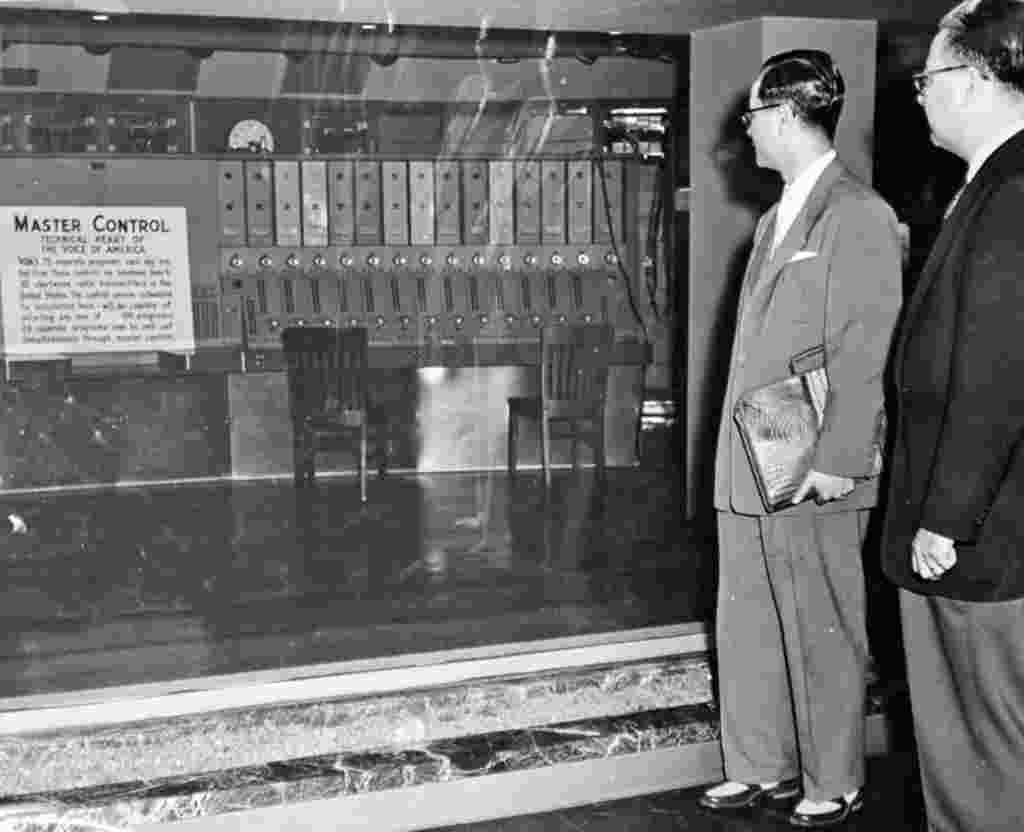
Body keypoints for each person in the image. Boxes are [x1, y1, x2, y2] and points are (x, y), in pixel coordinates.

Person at [701, 50, 903, 828]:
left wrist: (837, 461)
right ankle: (758, 764)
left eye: (751, 116)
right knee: (746, 614)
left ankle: (836, 776)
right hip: (750, 453)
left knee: (822, 624)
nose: (744, 131)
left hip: (812, 456)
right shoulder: (772, 220)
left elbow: (865, 347)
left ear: (787, 114)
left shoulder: (859, 214)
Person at [881, 1, 1024, 829]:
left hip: (978, 537)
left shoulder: (1013, 191)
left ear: (974, 80)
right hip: (981, 523)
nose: (920, 96)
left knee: (981, 756)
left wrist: (946, 517)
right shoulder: (991, 186)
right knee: (969, 754)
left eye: (928, 79)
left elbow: (1001, 372)